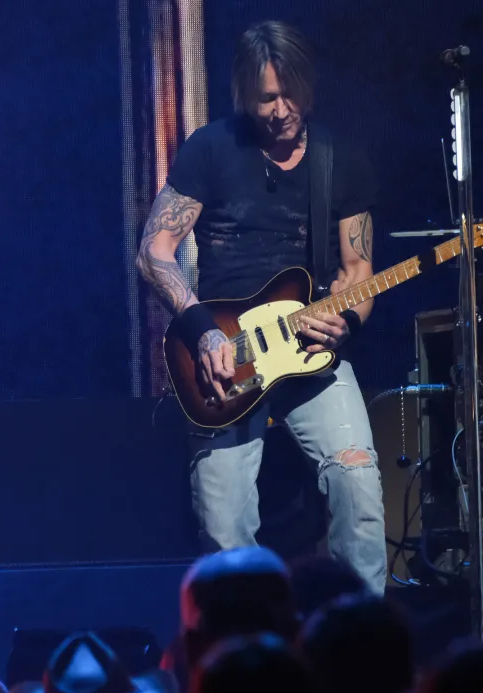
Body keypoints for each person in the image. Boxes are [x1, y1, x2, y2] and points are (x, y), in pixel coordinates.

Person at [136, 20, 386, 593]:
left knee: (359, 486)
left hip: (309, 351)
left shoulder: (338, 158)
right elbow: (154, 250)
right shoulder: (211, 148)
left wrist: (342, 321)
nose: (280, 109)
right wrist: (202, 333)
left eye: (289, 92)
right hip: (227, 354)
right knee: (225, 530)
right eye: (266, 97)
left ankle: (360, 636)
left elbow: (357, 270)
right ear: (245, 95)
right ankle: (241, 651)